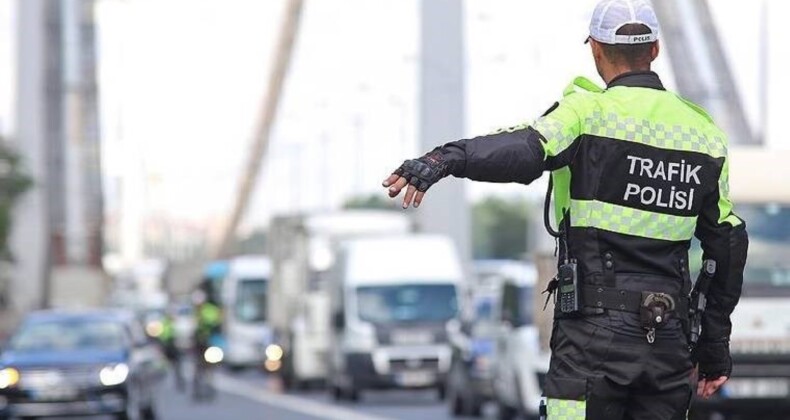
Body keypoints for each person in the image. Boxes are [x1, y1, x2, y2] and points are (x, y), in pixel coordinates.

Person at [382, 0, 748, 418]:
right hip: (668, 341)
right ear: (655, 50)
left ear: (595, 48)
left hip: (592, 338)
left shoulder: (586, 114)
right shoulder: (705, 135)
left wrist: (445, 159)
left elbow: (522, 149)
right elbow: (729, 246)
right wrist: (714, 346)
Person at [192, 285, 222, 401]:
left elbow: (216, 323)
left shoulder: (210, 310)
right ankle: (197, 386)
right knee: (197, 365)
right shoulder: (194, 312)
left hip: (209, 342)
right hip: (198, 343)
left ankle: (209, 383)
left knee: (210, 365)